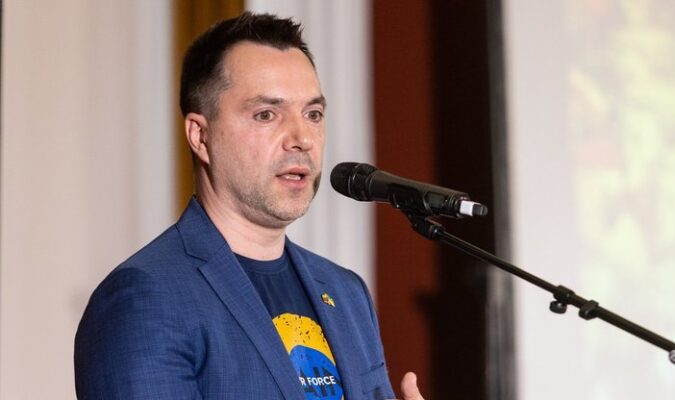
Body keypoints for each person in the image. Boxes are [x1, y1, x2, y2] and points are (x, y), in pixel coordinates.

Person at [74, 11, 424, 400]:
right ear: (200, 136)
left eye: (313, 114)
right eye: (266, 114)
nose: (302, 138)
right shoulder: (147, 297)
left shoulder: (346, 292)